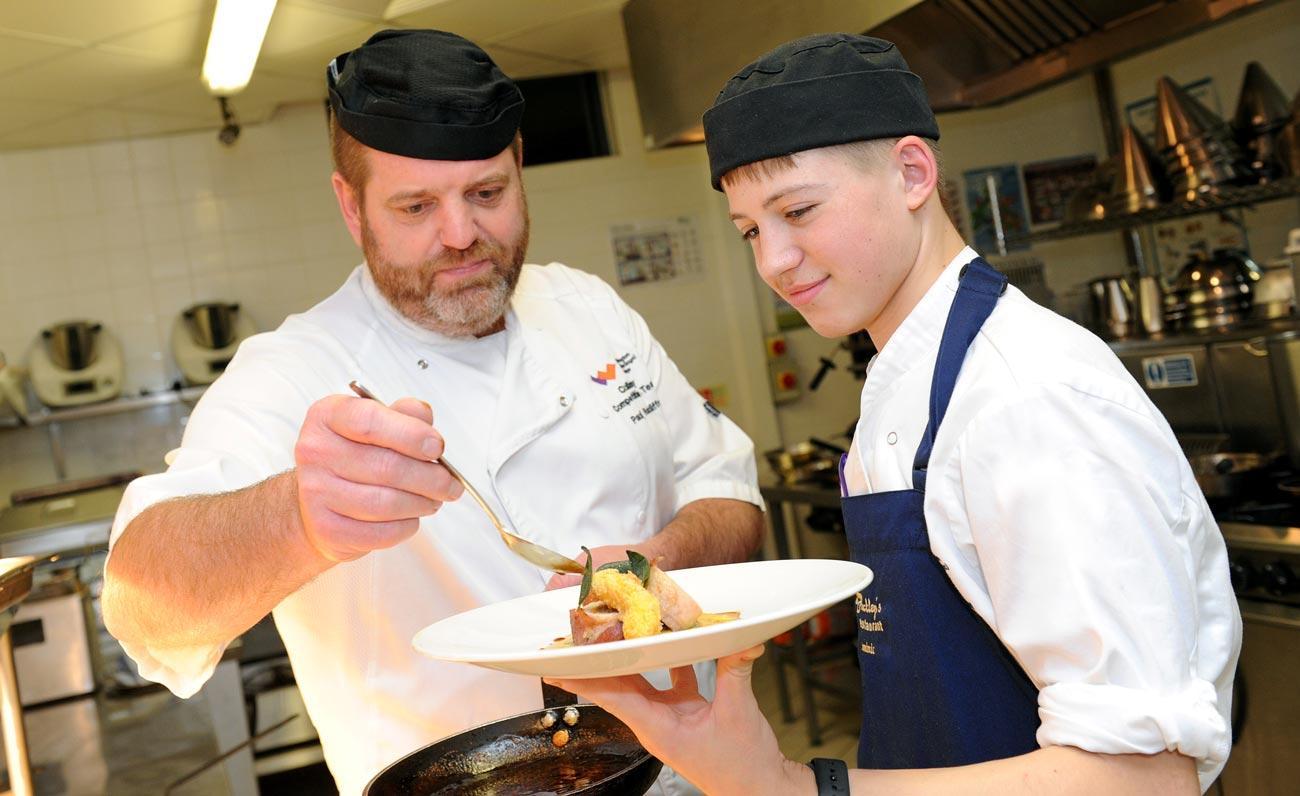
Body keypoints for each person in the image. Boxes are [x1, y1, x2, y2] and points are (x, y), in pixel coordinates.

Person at [548, 33, 1242, 795]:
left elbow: (1145, 778)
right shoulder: (906, 375)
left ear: (912, 172)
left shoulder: (1026, 397)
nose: (772, 261)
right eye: (750, 230)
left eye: (799, 210)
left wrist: (790, 787)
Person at [100, 29, 764, 795]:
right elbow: (142, 612)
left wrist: (655, 565)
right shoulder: (292, 369)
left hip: (692, 778)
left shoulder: (588, 307)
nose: (461, 235)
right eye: (415, 206)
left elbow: (730, 493)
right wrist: (297, 517)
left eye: (487, 194)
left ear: (519, 166)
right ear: (351, 207)